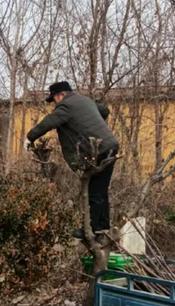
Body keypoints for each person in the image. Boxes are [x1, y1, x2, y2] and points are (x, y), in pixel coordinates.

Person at [26, 81, 119, 240]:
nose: (54, 103)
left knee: (94, 191)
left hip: (100, 151)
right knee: (100, 191)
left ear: (61, 95)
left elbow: (49, 122)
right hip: (111, 146)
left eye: (54, 99)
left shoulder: (67, 106)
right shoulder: (85, 101)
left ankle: (93, 230)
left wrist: (30, 138)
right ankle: (102, 228)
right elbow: (105, 110)